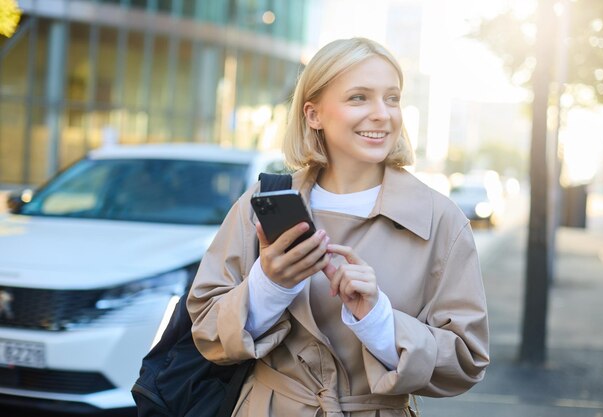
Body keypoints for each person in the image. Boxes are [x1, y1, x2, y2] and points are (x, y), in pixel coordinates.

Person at [187, 37, 489, 417]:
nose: (382, 113)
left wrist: (378, 319)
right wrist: (269, 285)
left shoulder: (441, 220)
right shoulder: (261, 204)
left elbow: (466, 361)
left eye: (392, 98)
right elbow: (207, 331)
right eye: (359, 97)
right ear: (313, 115)